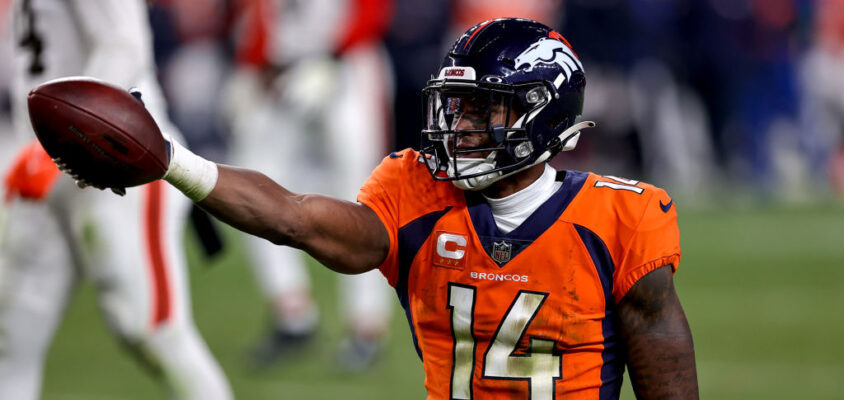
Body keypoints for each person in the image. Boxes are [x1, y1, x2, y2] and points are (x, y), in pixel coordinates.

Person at [57, 18, 699, 399]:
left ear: (544, 114)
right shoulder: (417, 191)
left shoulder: (622, 219)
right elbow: (296, 218)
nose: (463, 127)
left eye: (485, 110)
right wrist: (173, 161)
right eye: (458, 107)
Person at [0, 0, 232, 399]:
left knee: (150, 328)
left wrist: (65, 136)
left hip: (113, 160)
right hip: (38, 162)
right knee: (10, 334)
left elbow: (126, 45)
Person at [222, 0, 395, 370]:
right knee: (253, 183)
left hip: (348, 65)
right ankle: (292, 312)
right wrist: (252, 63)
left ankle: (366, 325)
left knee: (366, 192)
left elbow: (373, 9)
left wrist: (334, 54)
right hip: (282, 68)